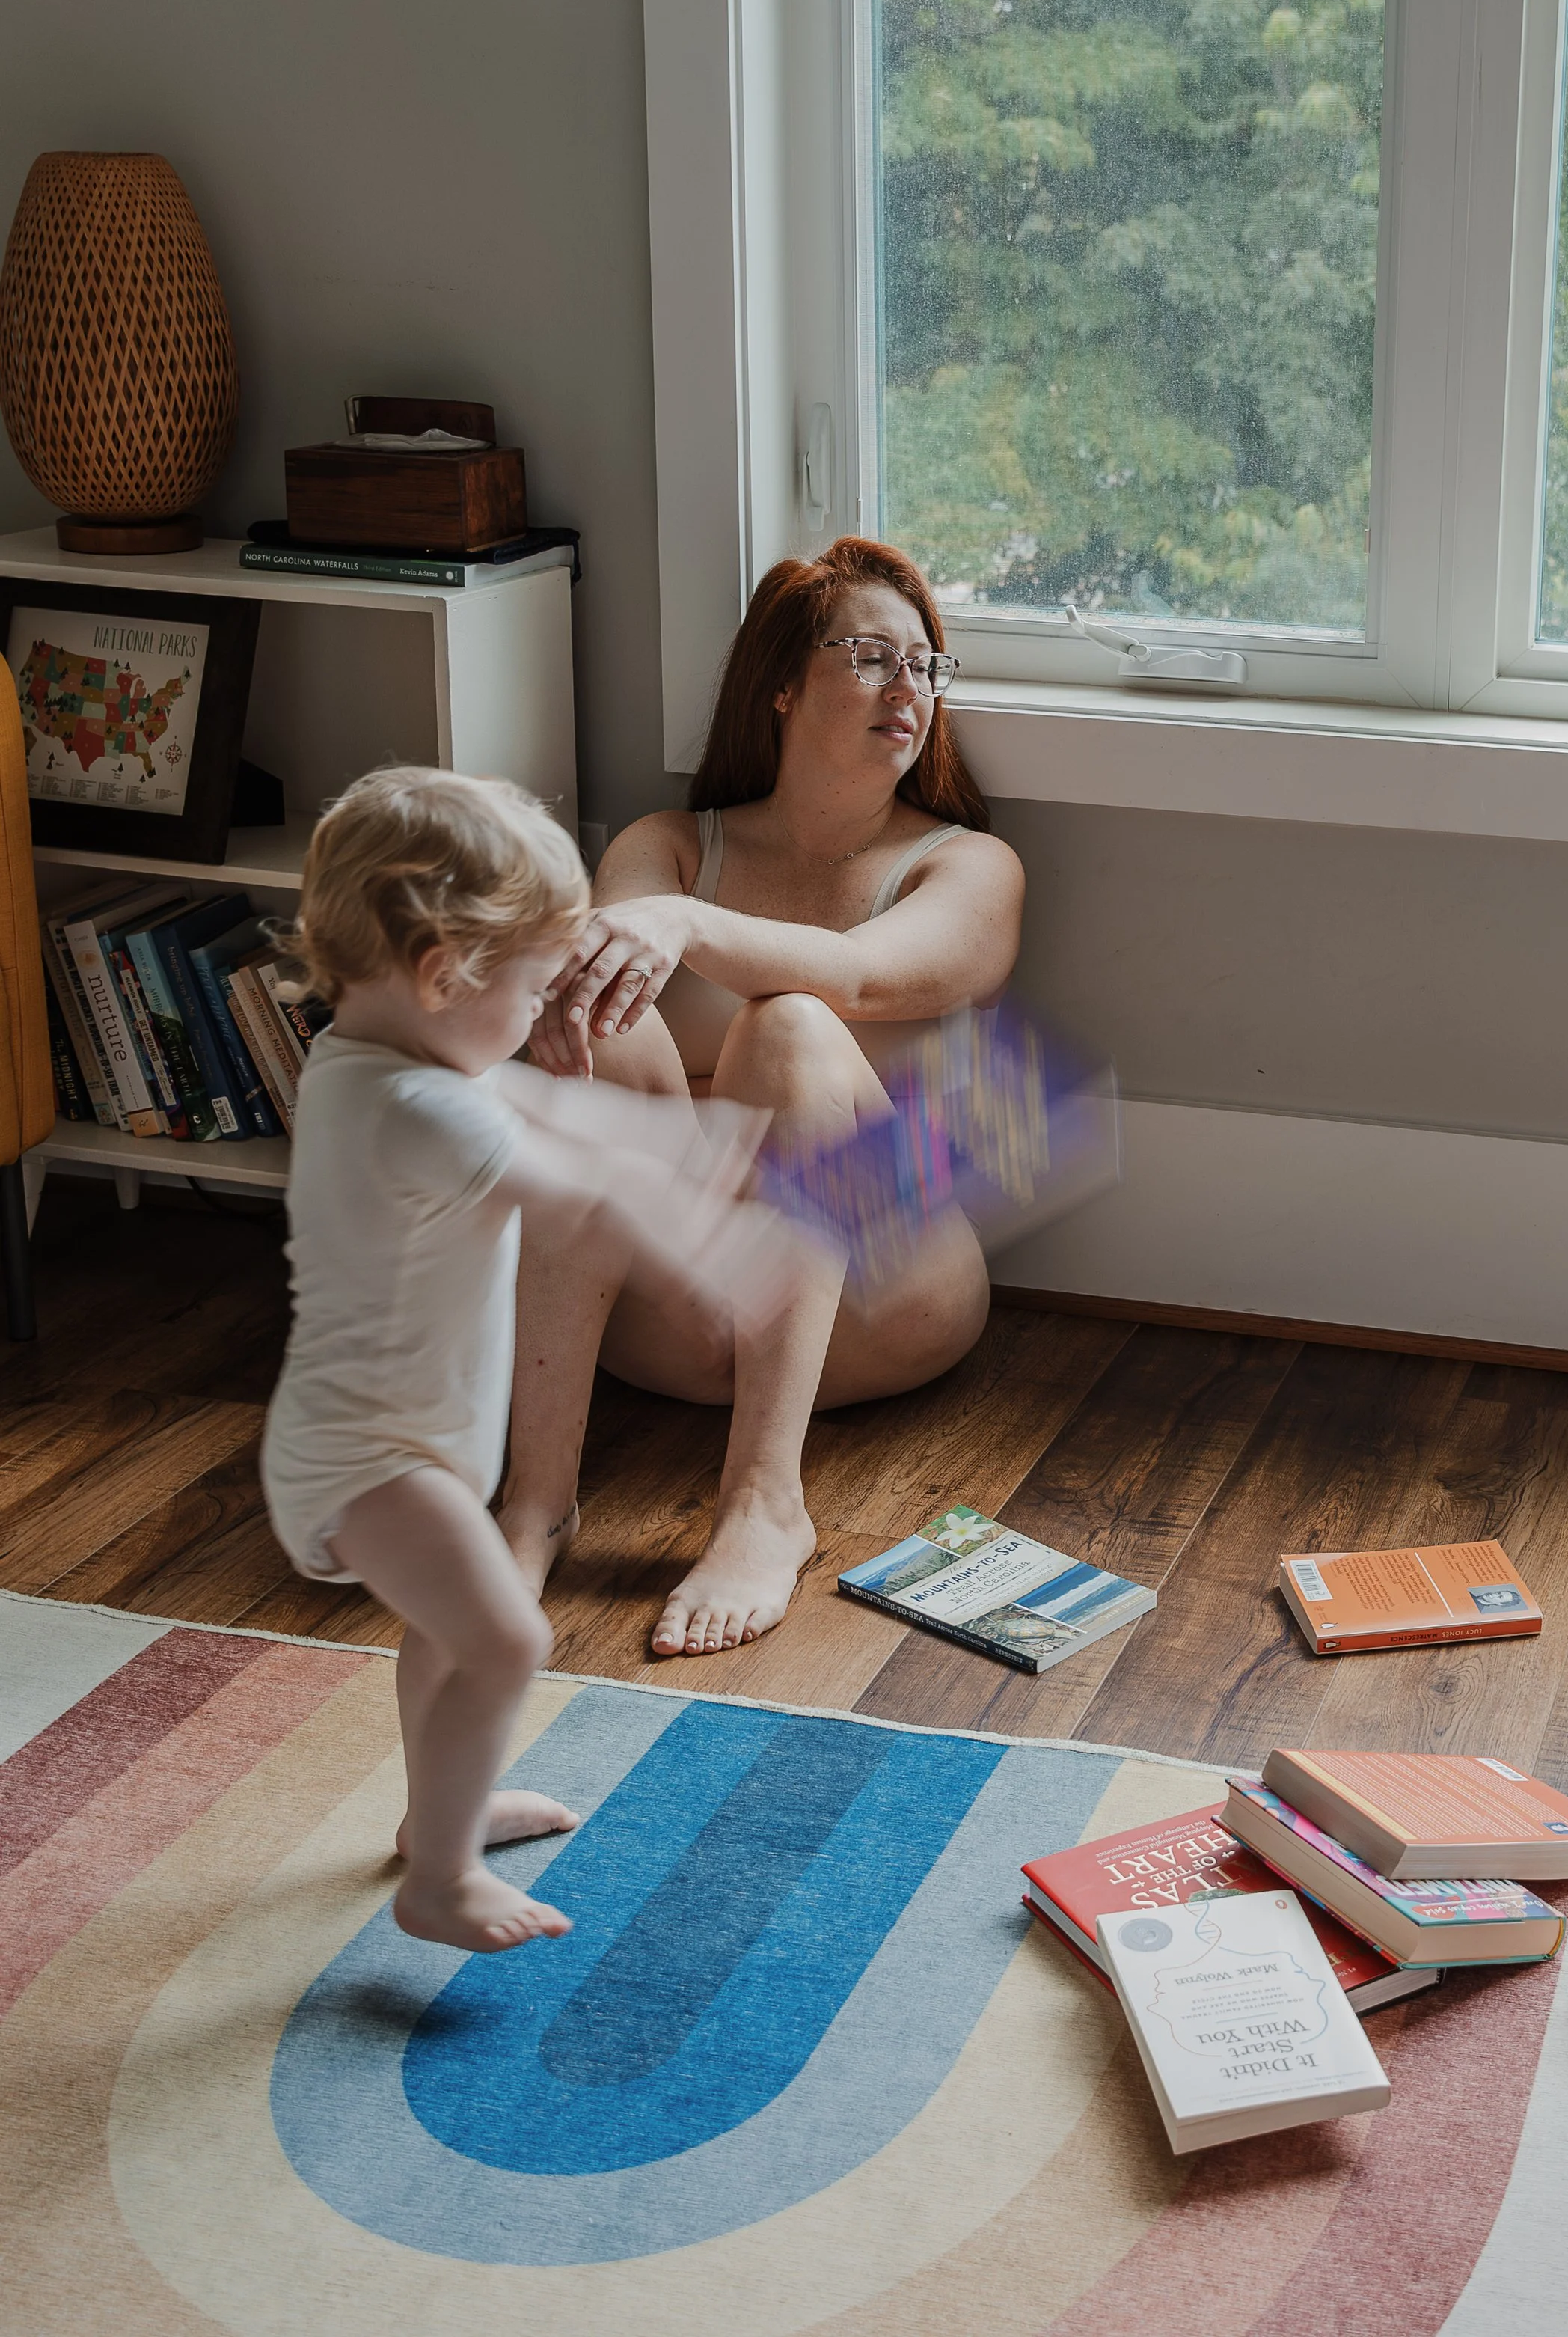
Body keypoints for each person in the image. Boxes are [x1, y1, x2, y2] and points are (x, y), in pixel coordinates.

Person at [260, 766, 789, 1952]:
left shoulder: (387, 1065)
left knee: (444, 1630)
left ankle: (435, 1811)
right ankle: (439, 1881)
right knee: (508, 1637)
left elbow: (567, 1120)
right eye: (537, 983)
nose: (545, 1010)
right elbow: (574, 1190)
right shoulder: (419, 1110)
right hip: (367, 1461)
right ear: (446, 976)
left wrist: (685, 1149)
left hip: (402, 1442)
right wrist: (707, 1244)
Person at [507, 536, 1026, 1658]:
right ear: (783, 683)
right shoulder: (667, 847)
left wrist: (690, 927)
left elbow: (857, 976)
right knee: (594, 1038)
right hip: (681, 1303)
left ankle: (765, 1505)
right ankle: (533, 1500)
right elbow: (602, 1005)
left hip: (882, 1302)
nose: (910, 689)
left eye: (927, 667)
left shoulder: (967, 867)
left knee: (789, 1024)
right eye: (874, 656)